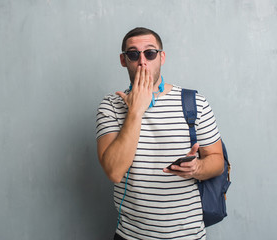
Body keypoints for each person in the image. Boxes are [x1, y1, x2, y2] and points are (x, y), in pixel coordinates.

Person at [96, 27, 224, 240]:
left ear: (161, 57)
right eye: (134, 54)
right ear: (123, 60)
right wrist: (136, 111)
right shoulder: (111, 106)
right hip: (131, 235)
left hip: (189, 236)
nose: (142, 61)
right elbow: (114, 172)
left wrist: (198, 167)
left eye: (150, 53)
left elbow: (217, 162)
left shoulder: (194, 103)